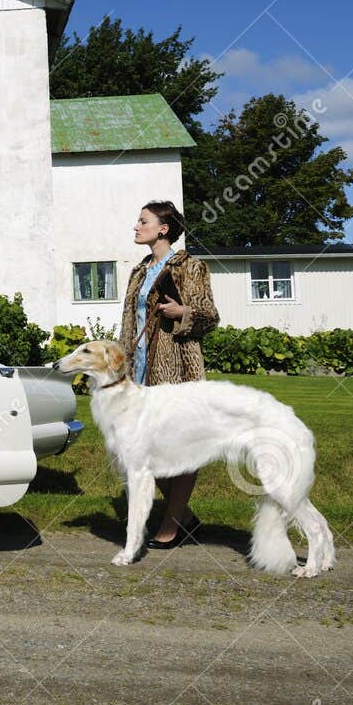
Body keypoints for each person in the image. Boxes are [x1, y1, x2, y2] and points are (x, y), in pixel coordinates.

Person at [118, 200, 220, 548]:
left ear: (163, 228)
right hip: (140, 369)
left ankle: (172, 523)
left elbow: (209, 316)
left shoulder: (190, 266)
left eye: (142, 220)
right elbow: (129, 323)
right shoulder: (139, 270)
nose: (136, 226)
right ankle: (186, 517)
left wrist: (182, 311)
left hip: (177, 367)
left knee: (183, 446)